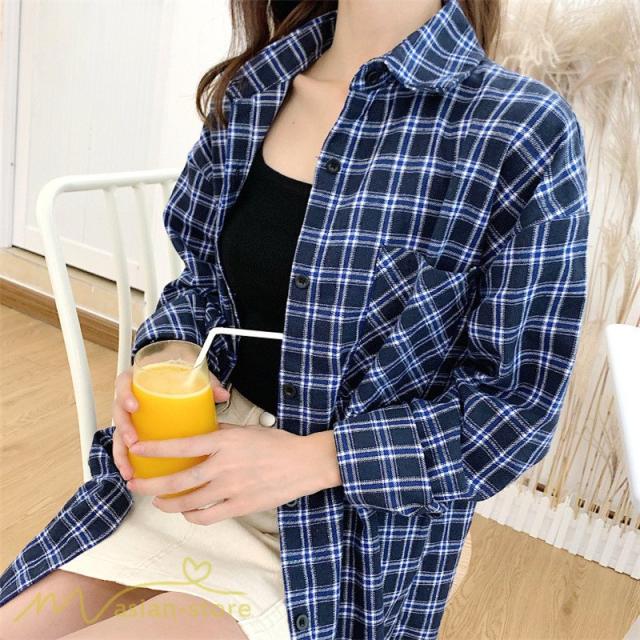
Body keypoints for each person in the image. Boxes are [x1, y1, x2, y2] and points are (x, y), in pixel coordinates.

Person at [0, 0, 590, 638]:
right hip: (188, 471)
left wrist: (319, 459)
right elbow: (203, 281)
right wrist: (166, 357)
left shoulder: (521, 131)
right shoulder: (256, 90)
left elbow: (518, 406)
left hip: (338, 535)